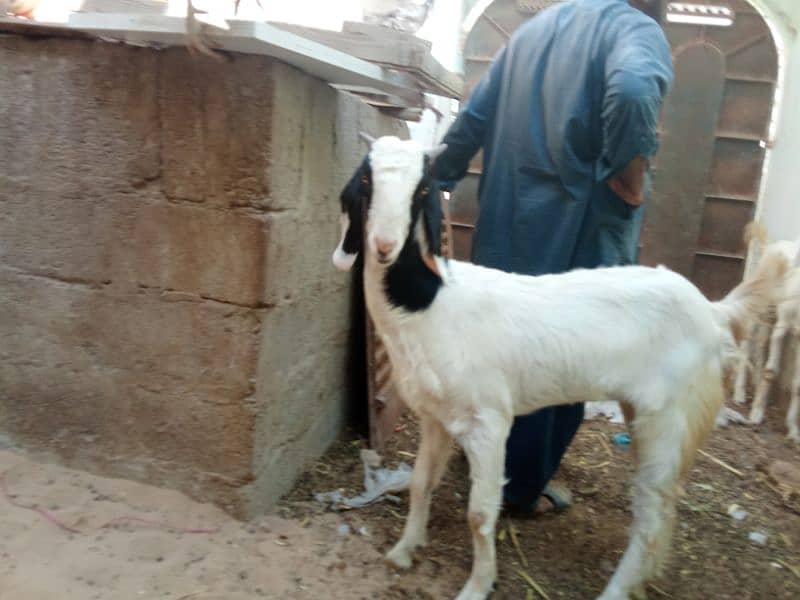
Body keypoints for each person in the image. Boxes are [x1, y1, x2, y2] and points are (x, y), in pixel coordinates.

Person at [432, 0, 674, 515]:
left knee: (494, 350)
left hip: (506, 219)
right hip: (574, 229)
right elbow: (633, 91)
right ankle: (518, 489)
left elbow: (475, 114)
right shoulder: (634, 28)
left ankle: (480, 457)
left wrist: (439, 178)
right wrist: (628, 176)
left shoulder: (529, 33)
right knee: (560, 359)